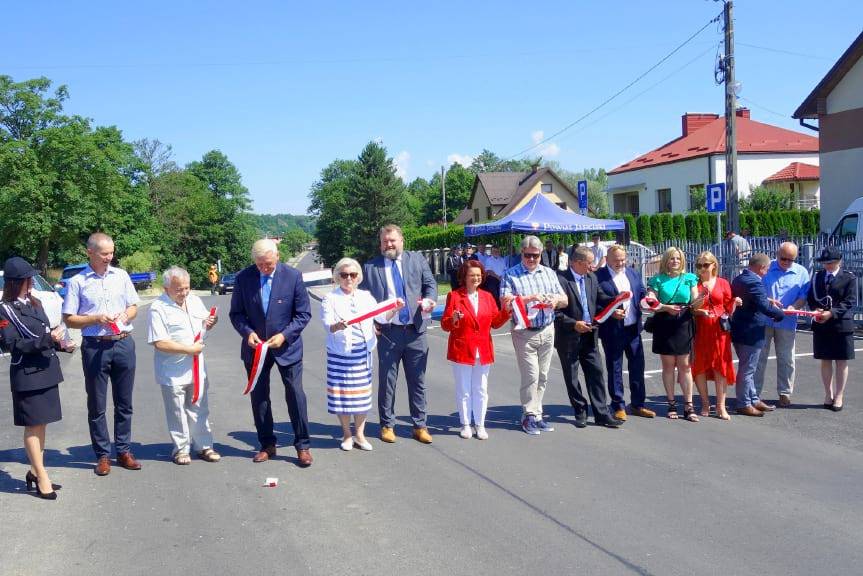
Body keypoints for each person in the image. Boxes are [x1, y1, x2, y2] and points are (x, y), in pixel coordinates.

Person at [62, 232, 142, 476]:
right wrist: (95, 318)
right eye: (104, 253)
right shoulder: (78, 282)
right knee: (97, 403)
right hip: (95, 346)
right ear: (90, 253)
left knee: (124, 402)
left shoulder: (121, 276)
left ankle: (124, 450)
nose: (110, 257)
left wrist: (125, 315)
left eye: (111, 252)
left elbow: (134, 306)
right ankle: (102, 455)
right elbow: (69, 319)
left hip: (123, 343)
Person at [229, 238, 313, 466]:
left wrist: (285, 335)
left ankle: (302, 445)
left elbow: (303, 314)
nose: (264, 269)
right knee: (259, 398)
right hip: (256, 349)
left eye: (268, 264)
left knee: (295, 394)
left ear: (277, 256)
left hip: (287, 346)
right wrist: (247, 332)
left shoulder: (292, 276)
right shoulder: (243, 278)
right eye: (260, 265)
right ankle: (267, 444)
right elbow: (236, 314)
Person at [1, 257, 74, 499]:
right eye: (27, 279)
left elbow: (44, 332)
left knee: (42, 423)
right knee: (33, 425)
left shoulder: (35, 302)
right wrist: (48, 339)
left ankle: (34, 470)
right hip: (27, 374)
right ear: (16, 282)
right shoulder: (5, 309)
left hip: (45, 369)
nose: (31, 281)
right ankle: (42, 476)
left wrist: (62, 342)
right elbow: (12, 343)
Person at [360, 224, 438, 444]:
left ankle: (420, 425)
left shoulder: (417, 259)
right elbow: (363, 299)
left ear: (401, 240)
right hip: (388, 333)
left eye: (393, 240)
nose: (389, 245)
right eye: (385, 241)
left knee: (418, 381)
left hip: (416, 331)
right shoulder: (370, 267)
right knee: (387, 381)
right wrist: (370, 323)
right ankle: (387, 425)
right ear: (380, 243)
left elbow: (430, 284)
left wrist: (430, 300)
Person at [321, 258, 404, 451]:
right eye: (344, 275)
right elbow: (327, 324)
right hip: (340, 353)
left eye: (352, 274)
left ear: (358, 277)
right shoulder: (330, 298)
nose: (348, 278)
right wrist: (337, 325)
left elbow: (381, 317)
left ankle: (359, 434)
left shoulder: (366, 296)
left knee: (361, 396)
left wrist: (394, 309)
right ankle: (347, 434)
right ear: (337, 277)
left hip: (362, 351)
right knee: (342, 396)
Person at [148, 266, 220, 465]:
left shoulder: (194, 300)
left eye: (186, 288)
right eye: (178, 289)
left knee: (200, 407)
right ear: (166, 289)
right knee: (177, 410)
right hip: (172, 370)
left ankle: (204, 446)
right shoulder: (158, 308)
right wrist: (189, 350)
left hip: (197, 367)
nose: (184, 293)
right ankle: (181, 449)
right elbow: (159, 342)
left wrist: (212, 321)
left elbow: (205, 323)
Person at [501, 235, 568, 435]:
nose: (531, 259)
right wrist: (530, 298)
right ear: (522, 253)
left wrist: (554, 301)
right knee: (531, 375)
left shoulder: (549, 273)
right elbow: (505, 302)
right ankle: (529, 415)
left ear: (541, 254)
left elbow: (564, 299)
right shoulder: (510, 274)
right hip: (524, 332)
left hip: (547, 329)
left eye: (535, 255)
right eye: (528, 255)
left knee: (543, 375)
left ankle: (537, 414)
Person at [441, 260, 511, 440]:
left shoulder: (487, 296)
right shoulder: (454, 296)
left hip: (483, 349)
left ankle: (480, 424)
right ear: (464, 277)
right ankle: (465, 423)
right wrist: (454, 319)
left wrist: (506, 311)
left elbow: (495, 322)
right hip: (462, 348)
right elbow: (445, 324)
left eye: (479, 275)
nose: (476, 278)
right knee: (464, 389)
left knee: (481, 389)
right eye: (472, 275)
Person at [555, 247, 624, 428]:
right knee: (572, 376)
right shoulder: (560, 280)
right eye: (589, 263)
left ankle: (602, 413)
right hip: (569, 336)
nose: (593, 267)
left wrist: (615, 306)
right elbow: (554, 311)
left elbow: (601, 300)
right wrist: (573, 324)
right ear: (577, 262)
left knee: (596, 373)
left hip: (590, 334)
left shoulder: (591, 278)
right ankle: (580, 410)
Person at [595, 244, 655, 420]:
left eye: (623, 259)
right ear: (607, 259)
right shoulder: (598, 277)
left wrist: (648, 299)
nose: (620, 263)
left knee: (637, 366)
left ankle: (638, 404)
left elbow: (641, 292)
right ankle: (618, 405)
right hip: (612, 330)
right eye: (616, 260)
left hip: (633, 328)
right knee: (615, 367)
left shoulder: (632, 273)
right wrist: (610, 312)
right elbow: (594, 302)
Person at [646, 247, 702, 422]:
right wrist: (664, 307)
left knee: (685, 365)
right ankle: (671, 404)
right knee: (668, 365)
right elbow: (651, 302)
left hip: (684, 322)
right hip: (664, 323)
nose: (675, 261)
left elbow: (694, 302)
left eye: (678, 258)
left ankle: (688, 405)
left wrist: (700, 299)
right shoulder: (657, 280)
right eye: (672, 259)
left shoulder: (689, 278)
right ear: (666, 261)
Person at [754, 242, 810, 407]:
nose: (785, 262)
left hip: (787, 321)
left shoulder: (801, 272)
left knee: (787, 359)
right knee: (759, 358)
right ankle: (754, 394)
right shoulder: (766, 267)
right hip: (764, 319)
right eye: (783, 258)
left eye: (790, 259)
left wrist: (795, 306)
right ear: (777, 254)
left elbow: (803, 295)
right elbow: (756, 289)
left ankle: (785, 393)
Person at [730, 253, 786, 417]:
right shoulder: (755, 281)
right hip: (751, 331)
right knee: (747, 369)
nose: (767, 272)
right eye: (767, 269)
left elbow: (752, 298)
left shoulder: (739, 278)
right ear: (761, 268)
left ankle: (753, 399)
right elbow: (763, 306)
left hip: (739, 329)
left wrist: (767, 300)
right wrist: (780, 314)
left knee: (748, 367)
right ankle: (743, 403)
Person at [807, 246, 856, 412]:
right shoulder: (817, 277)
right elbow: (811, 297)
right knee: (825, 360)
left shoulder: (849, 278)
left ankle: (839, 395)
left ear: (839, 261)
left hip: (841, 324)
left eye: (832, 263)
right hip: (822, 323)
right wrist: (817, 310)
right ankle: (828, 394)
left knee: (841, 361)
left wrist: (831, 313)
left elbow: (849, 301)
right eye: (825, 263)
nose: (828, 266)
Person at [692, 251, 736, 420]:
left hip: (719, 331)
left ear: (713, 265)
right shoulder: (694, 283)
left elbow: (728, 307)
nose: (702, 268)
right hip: (701, 330)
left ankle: (720, 406)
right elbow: (691, 308)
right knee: (700, 367)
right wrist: (699, 301)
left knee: (720, 368)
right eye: (699, 265)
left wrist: (736, 303)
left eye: (705, 265)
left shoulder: (723, 283)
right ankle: (704, 403)